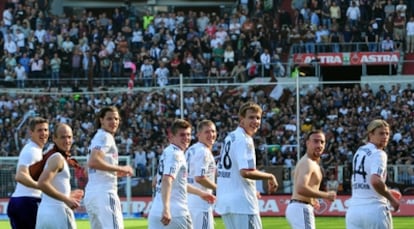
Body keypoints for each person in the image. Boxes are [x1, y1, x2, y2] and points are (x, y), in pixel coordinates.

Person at [215, 102, 279, 229]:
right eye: (251, 117)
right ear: (241, 119)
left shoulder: (230, 137)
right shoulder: (245, 139)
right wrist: (270, 176)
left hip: (226, 202)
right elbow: (246, 172)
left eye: (258, 118)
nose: (255, 121)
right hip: (242, 204)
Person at [148, 119, 216, 229]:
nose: (186, 138)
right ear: (172, 137)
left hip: (156, 212)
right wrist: (166, 208)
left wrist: (201, 193)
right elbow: (167, 180)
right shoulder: (176, 155)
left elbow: (158, 181)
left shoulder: (167, 152)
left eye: (188, 134)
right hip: (176, 213)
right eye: (182, 135)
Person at [83, 106, 134, 229]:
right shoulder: (106, 137)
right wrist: (122, 169)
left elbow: (87, 170)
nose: (114, 122)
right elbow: (93, 162)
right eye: (109, 119)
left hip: (91, 194)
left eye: (116, 119)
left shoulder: (96, 137)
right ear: (101, 120)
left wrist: (113, 172)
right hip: (105, 193)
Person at [346, 119, 400, 229]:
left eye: (387, 133)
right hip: (375, 209)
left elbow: (364, 180)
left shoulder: (359, 151)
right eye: (381, 133)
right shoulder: (379, 154)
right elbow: (375, 181)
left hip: (354, 210)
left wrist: (386, 190)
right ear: (371, 134)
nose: (385, 137)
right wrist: (392, 199)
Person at [35, 123, 84, 229]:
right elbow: (42, 183)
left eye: (69, 137)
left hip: (44, 214)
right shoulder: (58, 159)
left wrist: (68, 195)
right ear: (54, 139)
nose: (67, 141)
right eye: (62, 137)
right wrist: (66, 199)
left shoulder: (54, 157)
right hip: (59, 214)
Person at [285, 130, 337, 229]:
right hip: (301, 207)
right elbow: (301, 188)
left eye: (322, 142)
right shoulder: (308, 162)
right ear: (307, 143)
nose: (319, 145)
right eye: (316, 141)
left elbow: (298, 179)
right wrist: (326, 195)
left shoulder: (308, 162)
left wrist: (312, 199)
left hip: (299, 206)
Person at [7, 117, 49, 229]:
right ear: (31, 133)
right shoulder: (32, 151)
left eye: (45, 130)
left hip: (21, 200)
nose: (43, 133)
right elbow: (20, 175)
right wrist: (41, 187)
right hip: (27, 201)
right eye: (39, 130)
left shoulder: (35, 150)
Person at [186, 120, 217, 229]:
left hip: (189, 199)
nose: (211, 135)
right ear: (198, 134)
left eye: (213, 131)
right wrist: (219, 188)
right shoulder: (203, 151)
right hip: (201, 201)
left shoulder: (191, 149)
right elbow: (199, 178)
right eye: (207, 132)